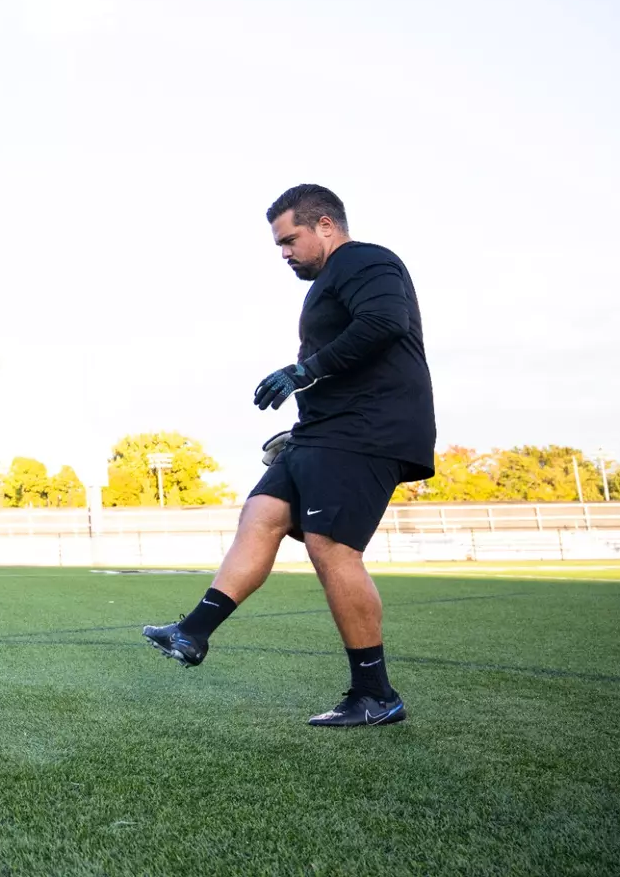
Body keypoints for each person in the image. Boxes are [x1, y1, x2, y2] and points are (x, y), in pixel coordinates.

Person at [142, 184, 435, 727]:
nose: (284, 252)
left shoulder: (365, 260)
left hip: (366, 430)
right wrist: (306, 421)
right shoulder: (329, 281)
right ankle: (194, 632)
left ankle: (375, 695)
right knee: (261, 514)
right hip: (321, 432)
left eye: (290, 239)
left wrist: (304, 371)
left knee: (331, 547)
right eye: (279, 244)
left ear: (325, 225)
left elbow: (384, 322)